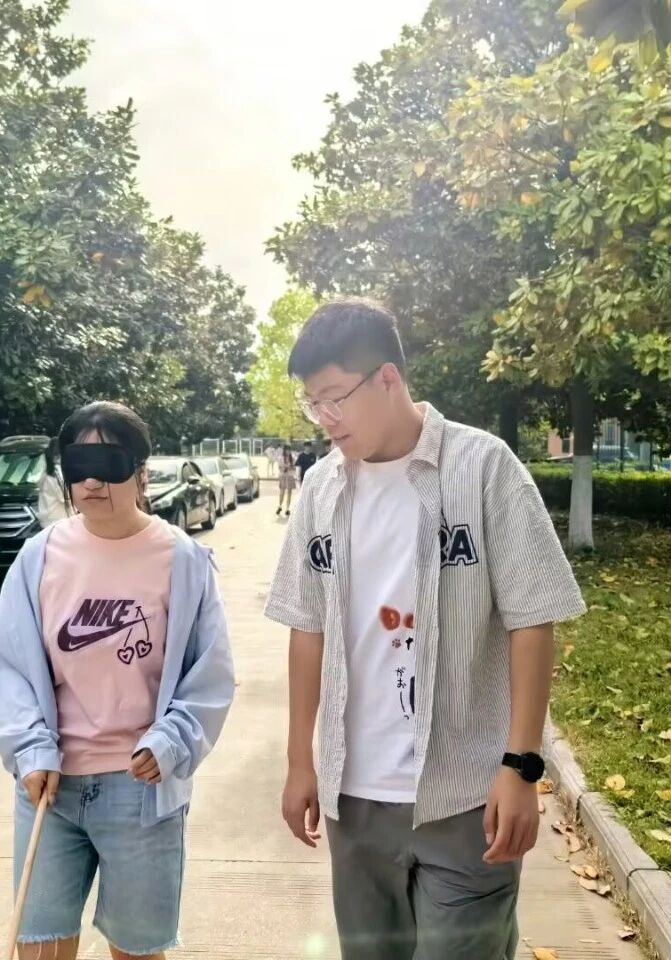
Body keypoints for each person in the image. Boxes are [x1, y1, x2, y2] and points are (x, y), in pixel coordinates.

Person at [264, 298, 585, 960]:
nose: (324, 420)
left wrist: (521, 766)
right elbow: (306, 628)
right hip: (355, 799)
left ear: (387, 378)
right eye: (313, 405)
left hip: (465, 794)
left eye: (334, 399)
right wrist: (300, 762)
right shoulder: (321, 490)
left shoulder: (483, 468)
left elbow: (532, 620)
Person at [0, 401, 236, 960]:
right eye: (79, 467)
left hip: (140, 791)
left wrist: (172, 740)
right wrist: (29, 749)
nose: (93, 482)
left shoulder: (183, 561)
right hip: (50, 787)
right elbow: (8, 664)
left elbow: (210, 673)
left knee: (136, 952)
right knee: (40, 949)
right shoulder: (39, 557)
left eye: (110, 465)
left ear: (141, 473)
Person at [276, 444, 297, 518]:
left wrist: (289, 467)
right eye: (286, 450)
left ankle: (287, 509)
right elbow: (280, 468)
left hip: (290, 476)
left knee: (289, 493)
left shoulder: (293, 458)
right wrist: (286, 467)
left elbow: (294, 468)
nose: (288, 451)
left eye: (289, 450)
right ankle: (280, 506)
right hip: (283, 476)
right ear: (284, 450)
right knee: (282, 492)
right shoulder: (281, 458)